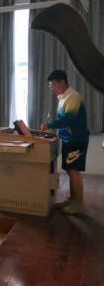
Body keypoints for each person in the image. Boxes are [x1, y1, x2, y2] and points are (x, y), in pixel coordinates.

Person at [41, 70, 90, 215]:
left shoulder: (72, 96)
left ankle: (79, 204)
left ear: (62, 82)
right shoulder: (63, 97)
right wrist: (56, 130)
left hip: (76, 140)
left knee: (73, 171)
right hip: (69, 139)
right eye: (50, 86)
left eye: (53, 84)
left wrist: (50, 125)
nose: (52, 88)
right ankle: (73, 200)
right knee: (70, 170)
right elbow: (63, 120)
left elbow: (68, 118)